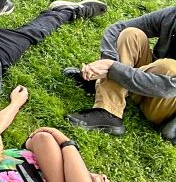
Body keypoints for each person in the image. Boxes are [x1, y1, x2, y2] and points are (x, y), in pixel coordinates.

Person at [65, 7, 176, 140]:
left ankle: (107, 85)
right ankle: (108, 110)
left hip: (164, 103)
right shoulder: (172, 14)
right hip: (145, 84)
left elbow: (168, 88)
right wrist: (107, 64)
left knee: (168, 67)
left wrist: (113, 69)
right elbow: (116, 29)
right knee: (131, 34)